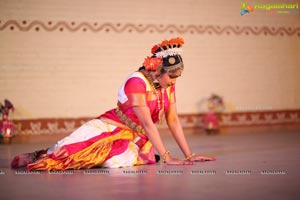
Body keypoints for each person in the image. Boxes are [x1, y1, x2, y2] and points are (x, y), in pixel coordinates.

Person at [11, 37, 216, 171]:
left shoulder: (167, 85)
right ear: (157, 70)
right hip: (111, 126)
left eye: (176, 78)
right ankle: (39, 155)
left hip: (136, 138)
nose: (174, 82)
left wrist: (190, 154)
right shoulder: (136, 81)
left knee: (114, 162)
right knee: (71, 151)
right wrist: (167, 157)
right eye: (171, 77)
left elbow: (172, 119)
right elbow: (147, 123)